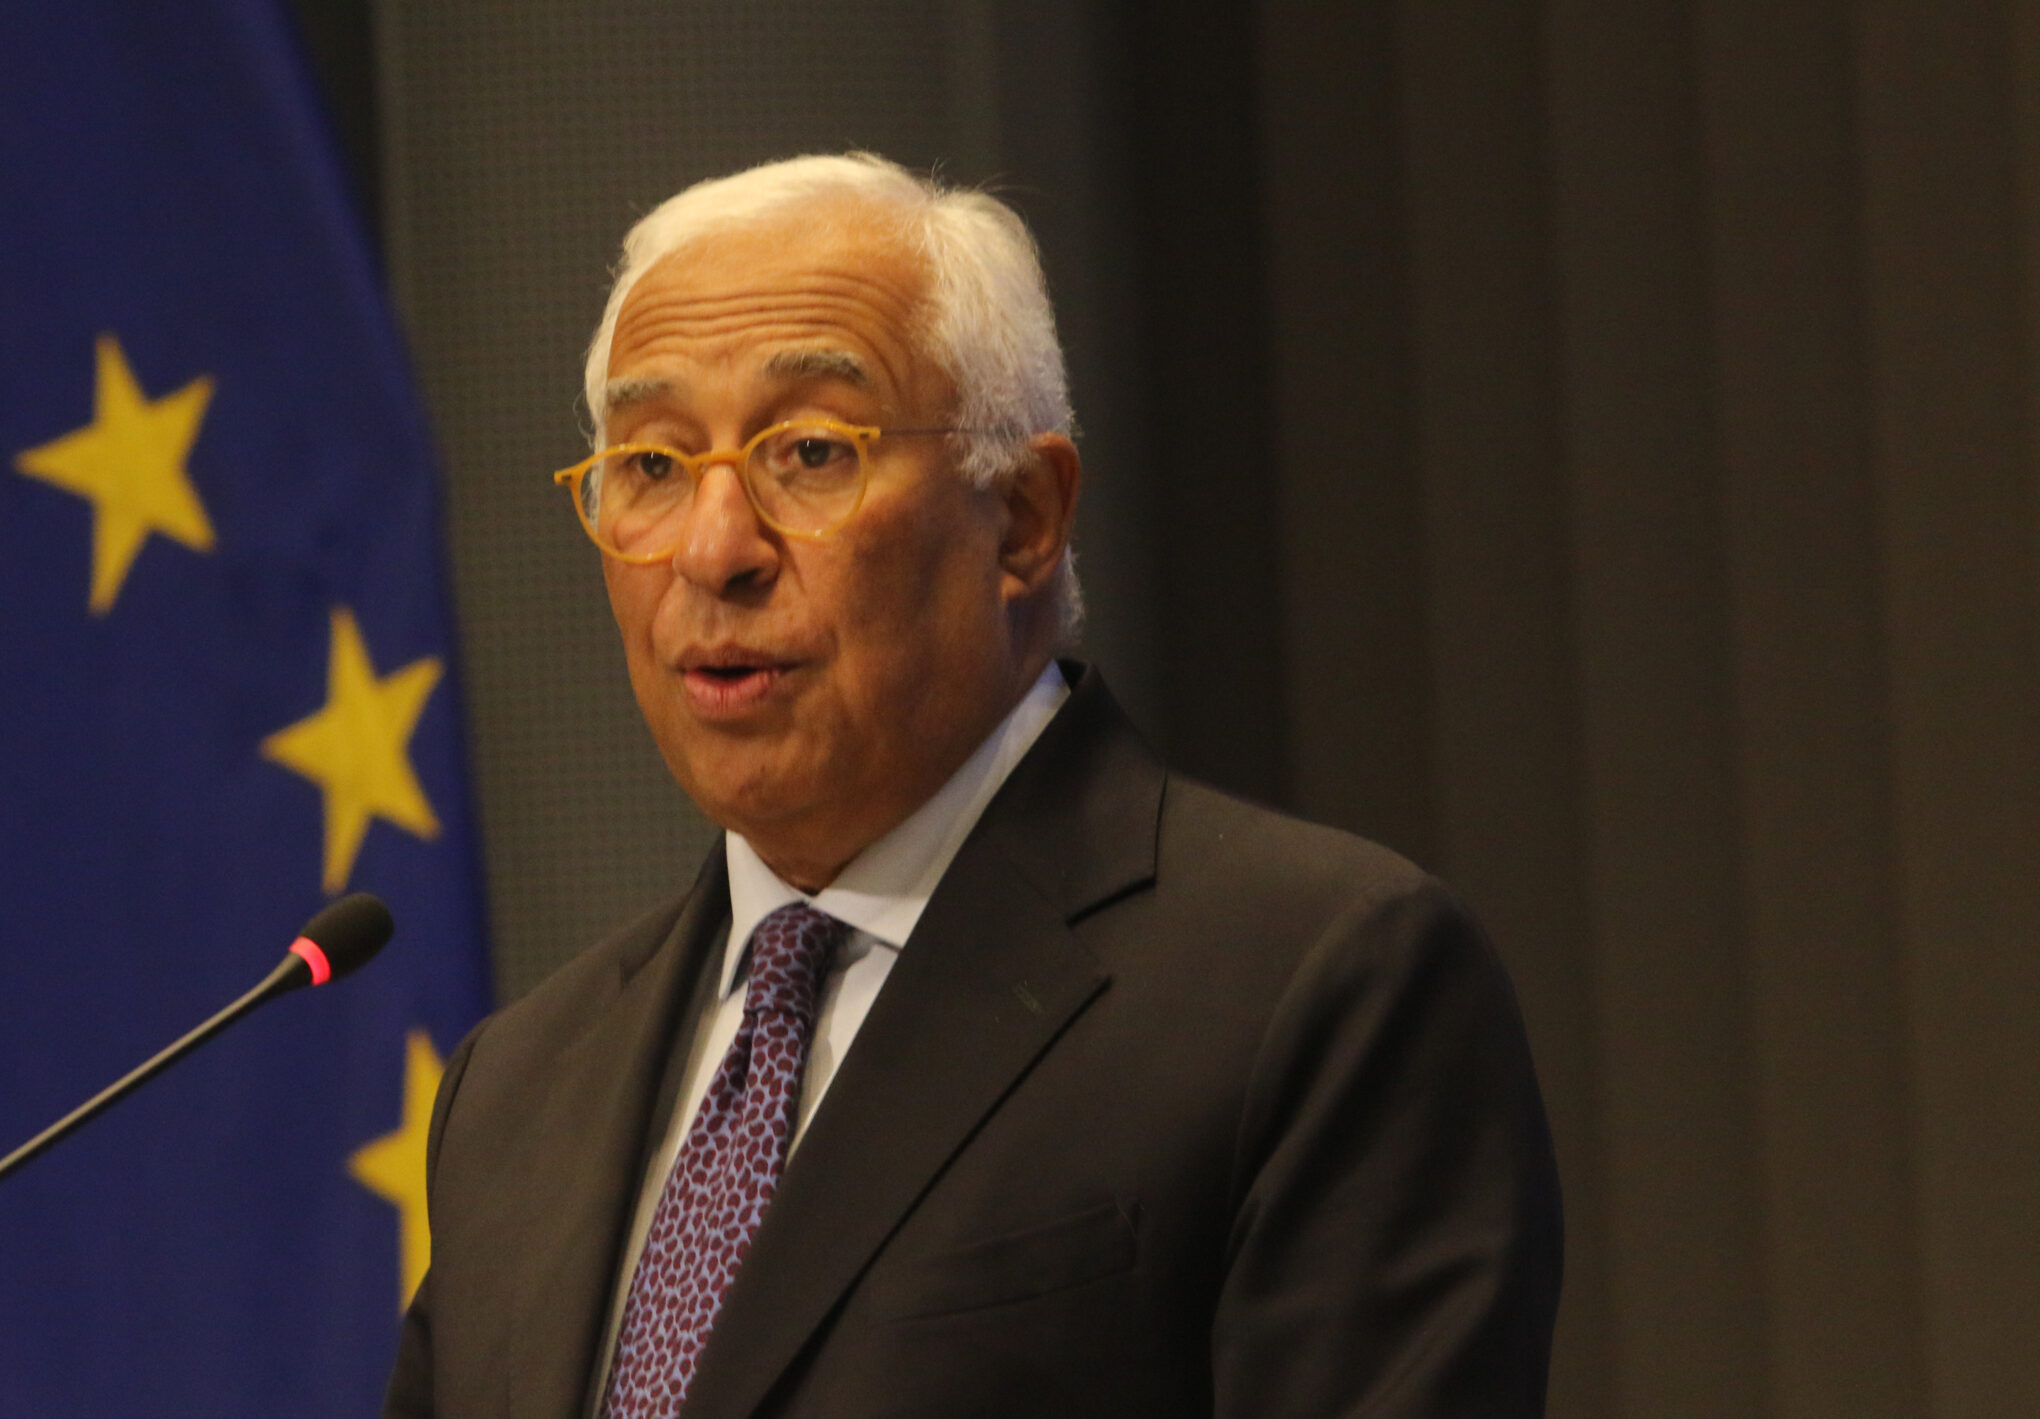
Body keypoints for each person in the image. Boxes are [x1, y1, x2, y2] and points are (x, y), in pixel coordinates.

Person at [383, 154, 1560, 1419]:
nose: (714, 550)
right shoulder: (517, 1088)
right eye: (654, 466)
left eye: (810, 451)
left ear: (1023, 518)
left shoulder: (1316, 985)